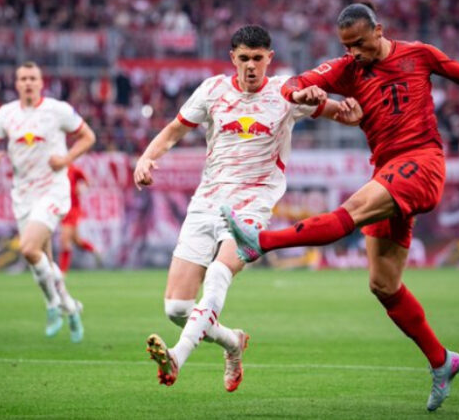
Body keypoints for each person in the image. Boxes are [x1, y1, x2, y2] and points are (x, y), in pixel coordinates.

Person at [221, 3, 459, 411]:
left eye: (359, 43)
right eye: (346, 46)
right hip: (388, 170)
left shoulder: (418, 54)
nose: (354, 53)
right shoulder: (347, 68)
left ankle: (260, 243)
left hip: (422, 162)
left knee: (352, 209)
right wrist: (301, 93)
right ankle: (442, 362)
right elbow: (295, 82)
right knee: (383, 284)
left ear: (379, 30)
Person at [135, 25, 362, 392]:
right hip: (206, 203)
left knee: (218, 274)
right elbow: (175, 130)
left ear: (270, 58)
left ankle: (177, 356)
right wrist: (146, 158)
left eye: (258, 58)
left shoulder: (286, 92)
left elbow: (342, 113)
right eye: (244, 58)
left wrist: (351, 111)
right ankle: (232, 342)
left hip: (252, 206)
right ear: (233, 58)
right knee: (177, 309)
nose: (251, 66)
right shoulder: (212, 90)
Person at [0, 61, 96, 342]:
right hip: (23, 195)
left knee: (29, 248)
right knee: (43, 261)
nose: (28, 83)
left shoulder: (57, 110)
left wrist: (66, 159)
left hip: (53, 190)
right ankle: (71, 307)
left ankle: (52, 305)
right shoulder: (6, 114)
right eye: (23, 79)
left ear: (41, 83)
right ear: (16, 84)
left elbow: (88, 137)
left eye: (32, 78)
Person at [59, 163, 100, 274]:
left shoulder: (73, 169)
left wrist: (82, 189)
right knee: (77, 241)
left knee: (64, 240)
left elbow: (87, 181)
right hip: (62, 209)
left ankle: (62, 273)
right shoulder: (56, 170)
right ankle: (95, 250)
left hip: (72, 209)